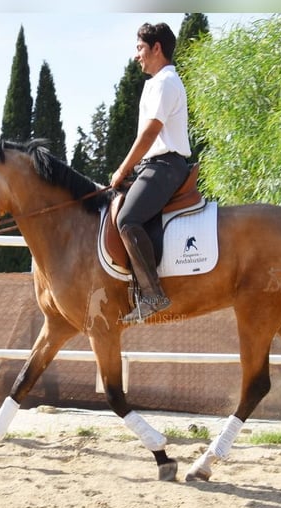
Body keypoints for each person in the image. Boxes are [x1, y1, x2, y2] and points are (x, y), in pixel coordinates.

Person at [111, 22, 192, 324]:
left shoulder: (167, 82)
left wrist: (123, 169)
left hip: (165, 166)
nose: (137, 56)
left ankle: (153, 293)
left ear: (157, 48)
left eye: (140, 48)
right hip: (154, 166)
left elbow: (149, 134)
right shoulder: (157, 83)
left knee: (127, 219)